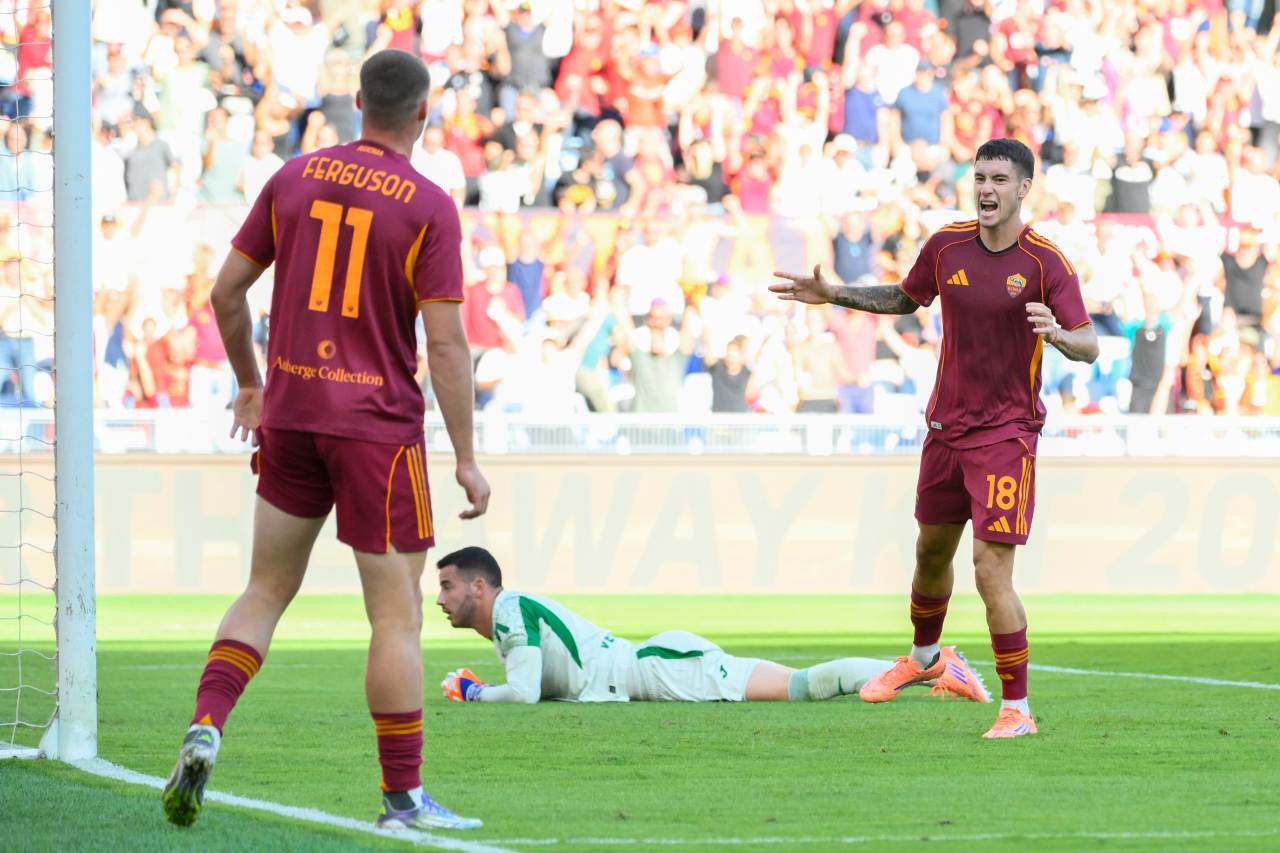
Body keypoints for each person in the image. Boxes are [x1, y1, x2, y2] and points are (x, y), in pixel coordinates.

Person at [161, 50, 490, 831]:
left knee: (264, 590)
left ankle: (207, 722)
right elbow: (446, 346)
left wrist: (250, 383)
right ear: (423, 112)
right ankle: (403, 800)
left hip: (292, 414)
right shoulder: (429, 206)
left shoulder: (294, 177)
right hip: (376, 431)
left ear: (357, 103)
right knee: (396, 616)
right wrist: (468, 458)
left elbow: (226, 293)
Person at [771, 138, 1098, 738]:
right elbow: (905, 297)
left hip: (1006, 436)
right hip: (946, 427)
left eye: (999, 179)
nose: (986, 189)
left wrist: (1057, 335)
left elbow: (1089, 344)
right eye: (980, 177)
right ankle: (927, 659)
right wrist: (834, 293)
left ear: (1025, 188)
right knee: (929, 553)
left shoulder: (1046, 262)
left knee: (990, 569)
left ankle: (1017, 709)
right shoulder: (947, 245)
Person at [434, 547, 990, 705]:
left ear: (479, 587)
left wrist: (475, 692)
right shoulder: (513, 610)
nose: (439, 599)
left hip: (659, 671)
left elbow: (525, 693)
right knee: (800, 685)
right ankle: (928, 667)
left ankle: (930, 666)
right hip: (651, 669)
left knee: (801, 687)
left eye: (447, 586)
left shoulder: (510, 610)